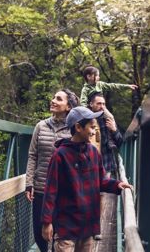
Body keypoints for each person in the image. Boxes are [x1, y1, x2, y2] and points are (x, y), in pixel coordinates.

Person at [41, 106, 132, 252]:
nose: (94, 131)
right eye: (91, 127)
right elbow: (51, 190)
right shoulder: (60, 155)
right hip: (66, 227)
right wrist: (47, 222)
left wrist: (117, 184)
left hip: (87, 225)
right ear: (78, 127)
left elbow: (101, 181)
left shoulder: (93, 152)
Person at [25, 89, 79, 252]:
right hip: (41, 188)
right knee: (39, 233)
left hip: (63, 191)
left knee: (59, 234)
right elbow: (32, 155)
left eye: (58, 99)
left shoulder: (73, 130)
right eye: (54, 97)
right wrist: (29, 183)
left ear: (68, 106)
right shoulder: (40, 126)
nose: (53, 100)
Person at [88, 92, 123, 240]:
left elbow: (120, 142)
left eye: (103, 104)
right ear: (91, 104)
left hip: (105, 164)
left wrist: (114, 130)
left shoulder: (108, 120)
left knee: (100, 195)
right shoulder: (85, 120)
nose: (102, 106)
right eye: (98, 104)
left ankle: (96, 228)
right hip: (86, 164)